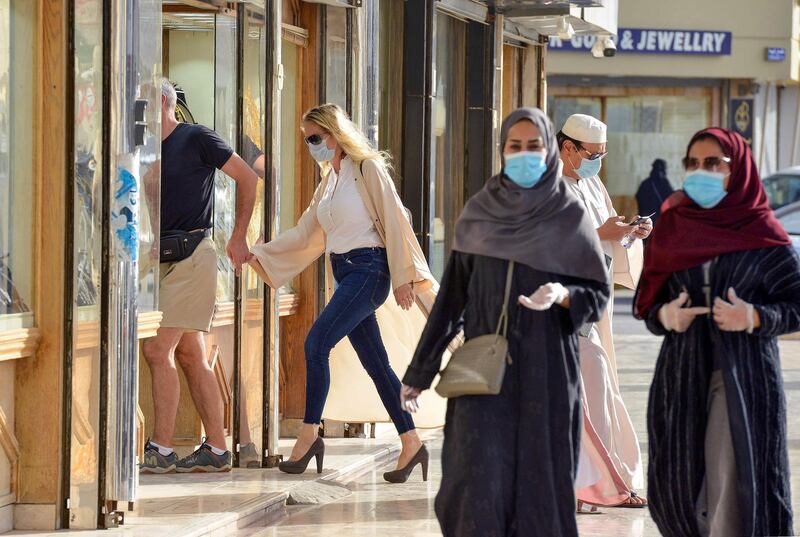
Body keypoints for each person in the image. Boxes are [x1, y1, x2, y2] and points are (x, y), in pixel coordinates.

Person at [400, 108, 610, 537]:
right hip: (483, 377)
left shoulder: (568, 215)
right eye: (515, 146)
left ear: (550, 150)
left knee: (540, 495)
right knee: (471, 489)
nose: (524, 154)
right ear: (502, 151)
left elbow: (598, 292)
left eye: (534, 146)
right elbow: (452, 297)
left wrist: (564, 295)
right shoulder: (480, 213)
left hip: (547, 377)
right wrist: (419, 372)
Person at [248, 103, 434, 480]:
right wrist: (260, 254)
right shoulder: (328, 182)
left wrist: (403, 278)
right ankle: (411, 442)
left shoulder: (366, 169)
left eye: (316, 138)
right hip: (345, 272)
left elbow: (397, 219)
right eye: (306, 140)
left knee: (316, 344)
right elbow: (305, 233)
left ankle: (308, 435)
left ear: (336, 134)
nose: (311, 145)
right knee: (377, 366)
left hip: (370, 270)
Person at [634, 128, 798, 537]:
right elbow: (648, 303)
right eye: (692, 163)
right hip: (681, 376)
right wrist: (666, 317)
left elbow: (796, 305)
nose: (699, 172)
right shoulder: (674, 224)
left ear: (737, 169)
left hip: (742, 378)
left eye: (713, 164)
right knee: (680, 484)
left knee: (732, 484)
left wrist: (756, 318)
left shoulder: (763, 235)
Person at [140, 79, 258, 474]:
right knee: (190, 354)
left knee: (158, 350)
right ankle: (220, 449)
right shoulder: (146, 150)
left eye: (138, 99)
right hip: (161, 260)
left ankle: (161, 448)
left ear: (160, 101)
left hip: (192, 256)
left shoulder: (197, 137)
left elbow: (248, 177)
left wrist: (239, 234)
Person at [556, 113, 650, 510]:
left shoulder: (591, 183)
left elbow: (609, 234)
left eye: (602, 155)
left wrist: (630, 233)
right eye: (592, 154)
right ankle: (597, 485)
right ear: (567, 148)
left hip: (593, 304)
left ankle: (598, 485)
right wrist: (603, 235)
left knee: (598, 392)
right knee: (590, 392)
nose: (597, 162)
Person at [635, 158, 673, 229]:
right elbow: (671, 198)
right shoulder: (664, 182)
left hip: (647, 218)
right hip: (658, 219)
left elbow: (638, 197)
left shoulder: (646, 183)